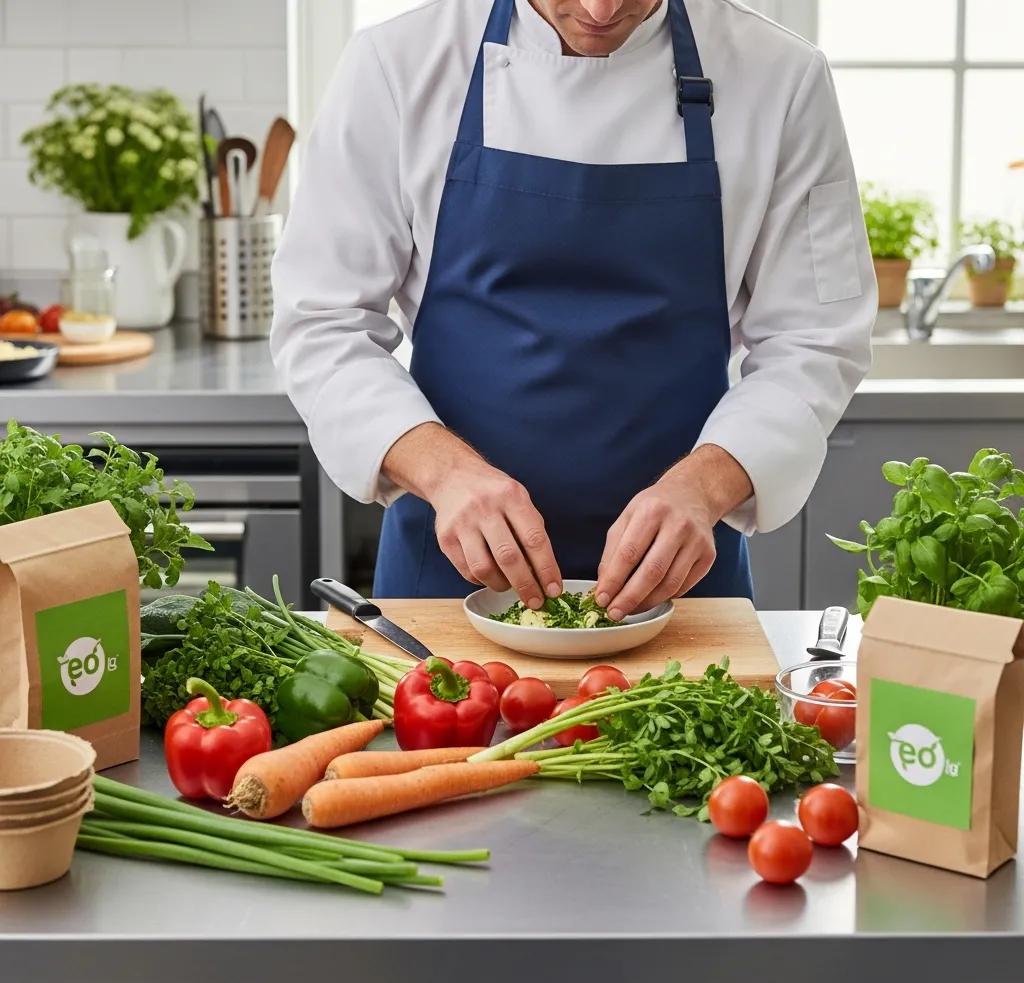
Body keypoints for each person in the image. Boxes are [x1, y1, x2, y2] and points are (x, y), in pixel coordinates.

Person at [271, 0, 876, 619]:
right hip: (447, 583)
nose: (601, 9)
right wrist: (445, 473)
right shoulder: (396, 65)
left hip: (681, 590)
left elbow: (816, 339)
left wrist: (706, 486)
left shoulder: (781, 78)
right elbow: (323, 321)